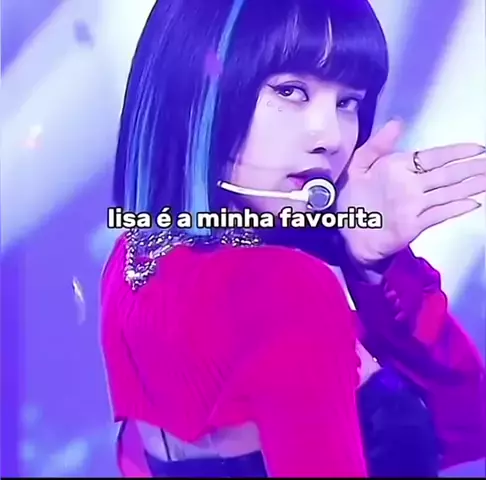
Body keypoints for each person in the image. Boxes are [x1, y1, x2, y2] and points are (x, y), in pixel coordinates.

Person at [101, 0, 486, 476]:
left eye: (348, 102)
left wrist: (371, 262)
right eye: (290, 91)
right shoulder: (286, 286)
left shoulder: (133, 258)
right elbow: (465, 427)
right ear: (198, 90)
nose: (330, 136)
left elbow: (468, 421)